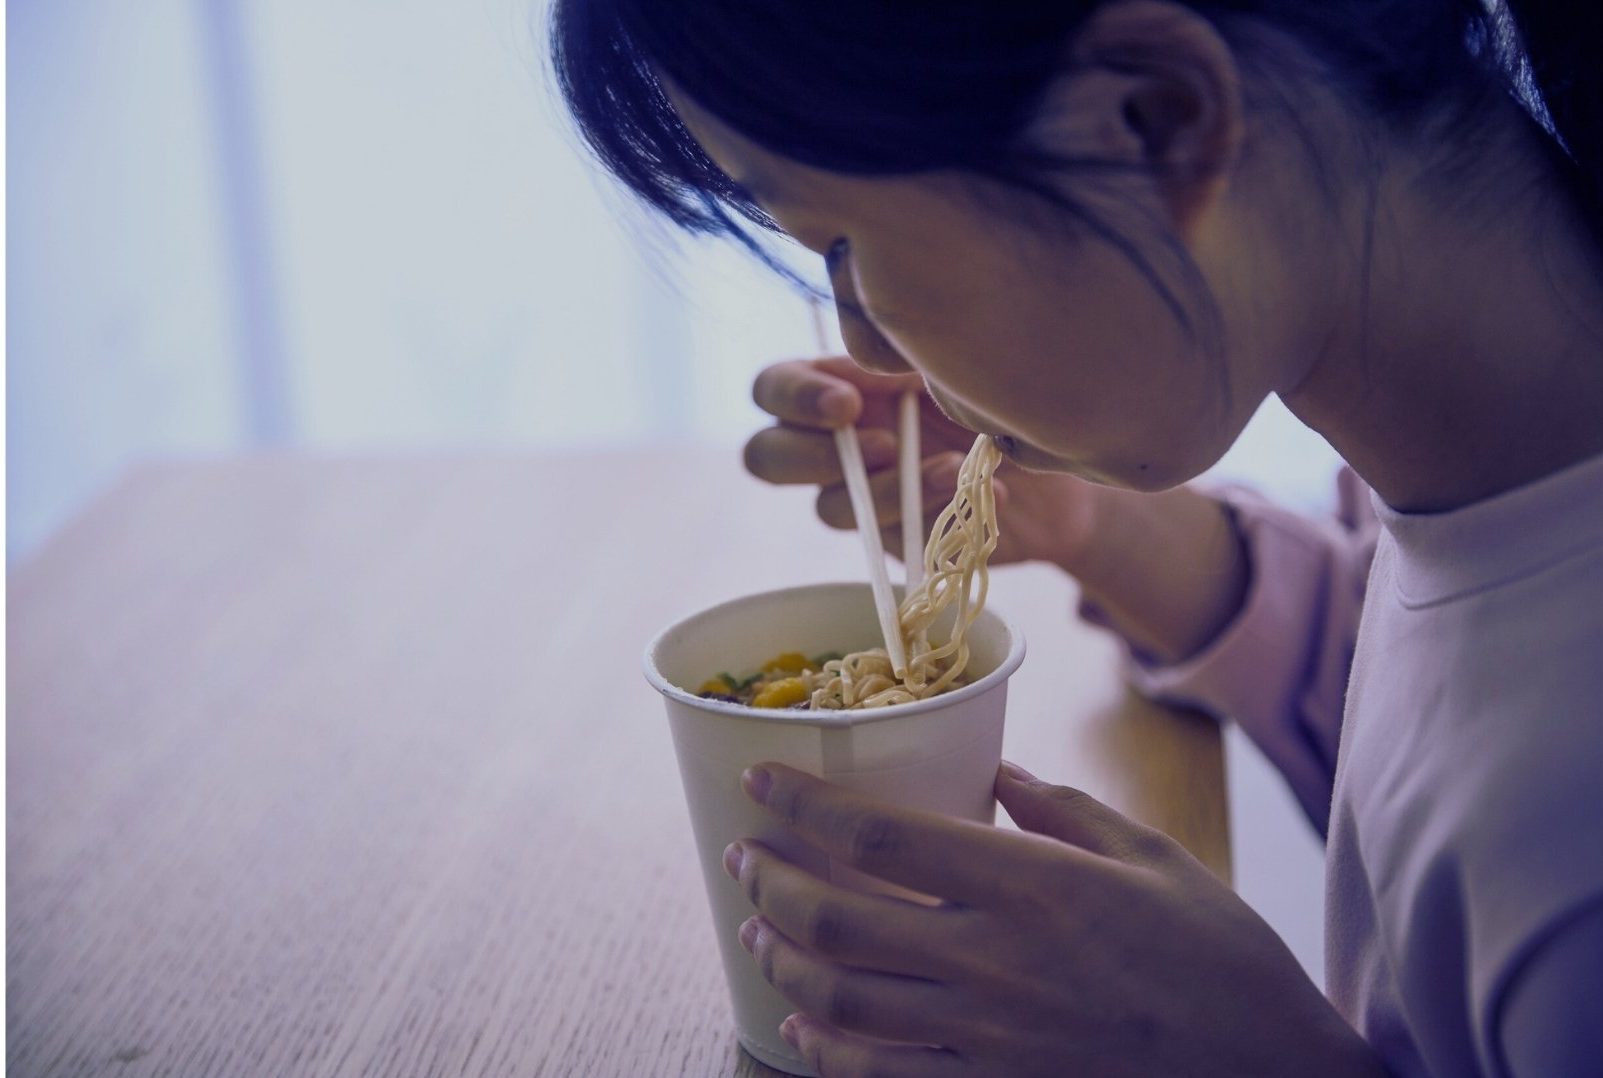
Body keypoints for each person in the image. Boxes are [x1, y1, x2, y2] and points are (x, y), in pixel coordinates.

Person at [552, 2, 1603, 1074]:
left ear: (1151, 120)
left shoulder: (1572, 825)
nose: (865, 347)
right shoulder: (1479, 475)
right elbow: (1437, 719)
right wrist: (1112, 528)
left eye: (843, 243)